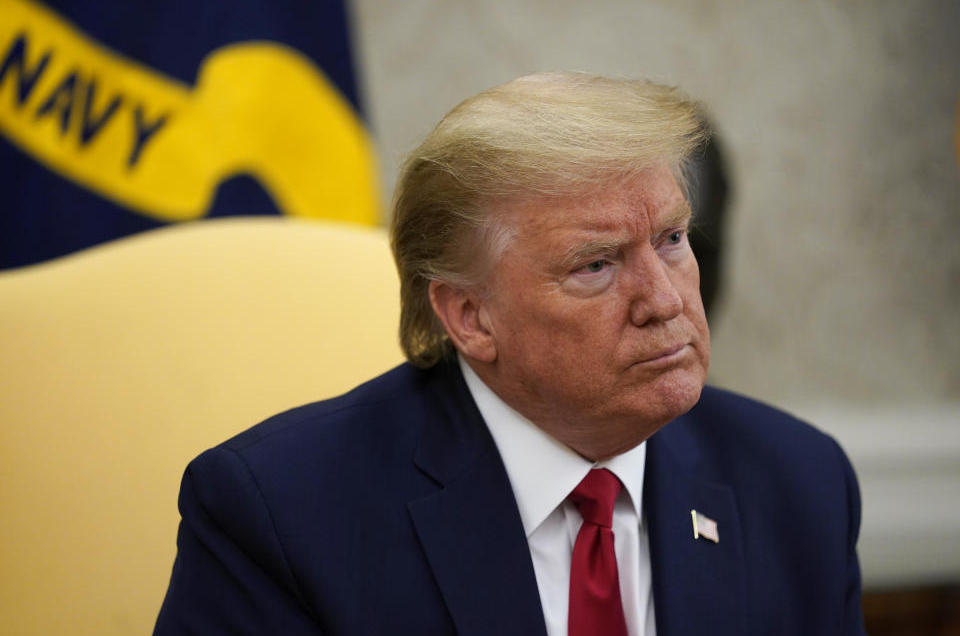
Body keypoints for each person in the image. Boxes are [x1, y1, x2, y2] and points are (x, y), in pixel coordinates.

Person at [154, 72, 866, 635]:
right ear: (470, 317)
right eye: (596, 265)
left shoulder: (799, 485)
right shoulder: (281, 517)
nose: (665, 300)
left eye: (672, 240)